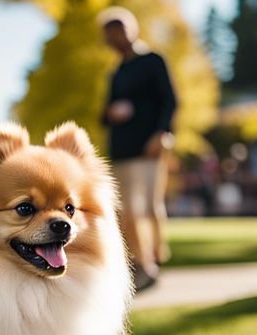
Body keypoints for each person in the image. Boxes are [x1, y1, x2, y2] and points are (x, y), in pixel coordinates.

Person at [99, 7, 177, 291]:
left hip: (149, 147)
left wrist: (162, 132)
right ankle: (139, 260)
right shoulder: (116, 73)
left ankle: (149, 261)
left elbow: (169, 101)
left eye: (117, 32)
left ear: (129, 30)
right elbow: (103, 115)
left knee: (143, 208)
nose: (114, 39)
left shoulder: (153, 61)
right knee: (123, 211)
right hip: (121, 150)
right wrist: (113, 112)